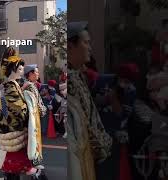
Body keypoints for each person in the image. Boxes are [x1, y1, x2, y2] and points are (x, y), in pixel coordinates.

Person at [67, 21, 112, 180]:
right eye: (86, 43)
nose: (90, 48)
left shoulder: (77, 76)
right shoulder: (70, 81)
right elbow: (85, 124)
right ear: (70, 46)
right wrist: (104, 144)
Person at [0, 47, 47, 180]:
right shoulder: (11, 88)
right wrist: (32, 112)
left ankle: (11, 174)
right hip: (17, 129)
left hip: (11, 129)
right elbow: (19, 111)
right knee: (22, 161)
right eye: (21, 69)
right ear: (13, 69)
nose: (23, 71)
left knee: (14, 161)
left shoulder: (9, 86)